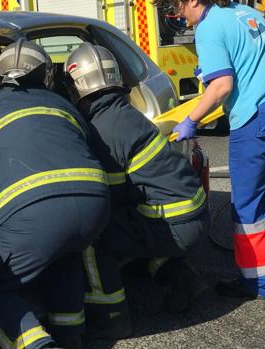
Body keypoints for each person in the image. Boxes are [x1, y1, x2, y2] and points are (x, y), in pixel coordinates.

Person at [0, 39, 111, 349]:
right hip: (95, 207)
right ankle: (71, 335)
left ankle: (37, 344)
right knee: (65, 257)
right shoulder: (62, 104)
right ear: (45, 74)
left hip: (31, 216)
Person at [162, 0, 265, 299]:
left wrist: (190, 121)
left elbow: (222, 87)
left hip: (259, 117)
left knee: (245, 204)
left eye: (178, 6)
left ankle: (257, 282)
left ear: (192, 0)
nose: (178, 15)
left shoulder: (209, 28)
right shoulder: (246, 13)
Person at [63, 43, 209, 336]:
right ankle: (181, 278)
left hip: (172, 222)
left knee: (91, 235)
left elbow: (107, 199)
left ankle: (111, 315)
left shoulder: (101, 130)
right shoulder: (125, 113)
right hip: (191, 215)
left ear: (77, 87)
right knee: (133, 225)